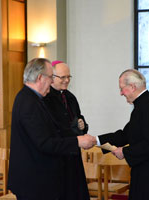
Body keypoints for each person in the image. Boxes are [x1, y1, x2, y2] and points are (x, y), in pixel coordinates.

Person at [8, 58, 96, 200]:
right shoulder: (29, 103)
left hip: (39, 178)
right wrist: (77, 141)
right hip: (34, 180)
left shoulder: (31, 98)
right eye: (50, 77)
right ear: (40, 78)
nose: (52, 81)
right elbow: (44, 143)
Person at [97, 69, 149, 200]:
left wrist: (125, 152)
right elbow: (125, 135)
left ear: (132, 87)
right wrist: (96, 141)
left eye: (122, 89)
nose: (121, 93)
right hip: (147, 173)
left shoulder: (148, 106)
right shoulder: (144, 104)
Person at [43, 60, 90, 200]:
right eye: (62, 77)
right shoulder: (45, 98)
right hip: (58, 154)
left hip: (73, 154)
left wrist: (83, 125)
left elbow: (79, 118)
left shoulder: (70, 97)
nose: (67, 80)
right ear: (52, 77)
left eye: (68, 77)